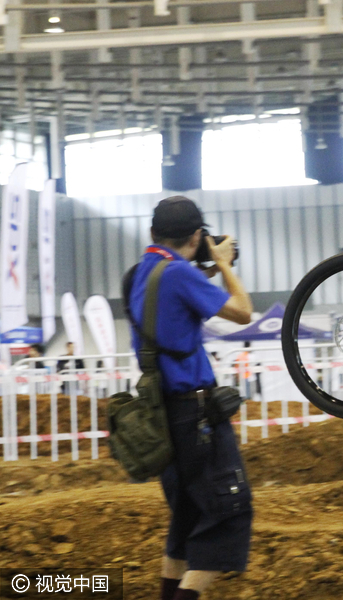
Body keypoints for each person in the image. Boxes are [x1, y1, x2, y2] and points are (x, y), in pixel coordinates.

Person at [128, 196, 253, 600]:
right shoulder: (180, 275)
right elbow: (242, 311)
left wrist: (207, 265)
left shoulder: (140, 273)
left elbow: (174, 302)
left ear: (152, 233)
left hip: (161, 417)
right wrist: (225, 266)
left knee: (186, 519)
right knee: (228, 515)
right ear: (198, 236)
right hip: (194, 415)